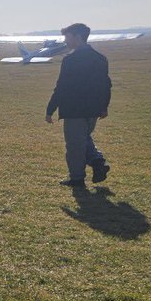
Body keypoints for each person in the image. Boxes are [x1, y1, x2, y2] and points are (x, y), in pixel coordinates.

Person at [46, 23, 111, 187]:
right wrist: (104, 106)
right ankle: (97, 162)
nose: (66, 41)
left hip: (74, 110)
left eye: (67, 37)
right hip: (93, 110)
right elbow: (106, 84)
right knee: (83, 139)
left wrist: (50, 109)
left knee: (75, 145)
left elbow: (61, 86)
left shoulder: (70, 60)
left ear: (78, 37)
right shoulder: (100, 58)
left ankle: (77, 178)